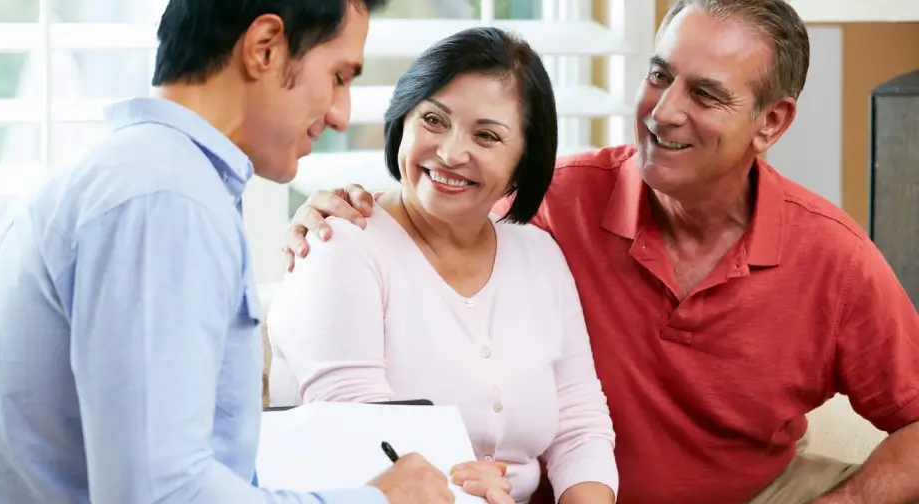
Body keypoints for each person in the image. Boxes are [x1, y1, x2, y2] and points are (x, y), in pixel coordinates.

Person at [279, 1, 919, 503]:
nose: (663, 112)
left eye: (705, 94)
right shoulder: (555, 204)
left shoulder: (834, 259)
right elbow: (441, 207)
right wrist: (328, 216)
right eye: (659, 75)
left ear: (771, 123)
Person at [0, 1, 456, 503]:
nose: (341, 116)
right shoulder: (166, 200)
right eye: (339, 76)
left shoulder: (134, 177)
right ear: (265, 48)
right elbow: (160, 495)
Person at [266, 27, 618, 504]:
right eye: (433, 119)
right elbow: (363, 437)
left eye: (487, 135)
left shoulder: (539, 255)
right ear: (402, 121)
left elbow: (580, 425)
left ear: (522, 162)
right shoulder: (340, 245)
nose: (451, 153)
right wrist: (468, 489)